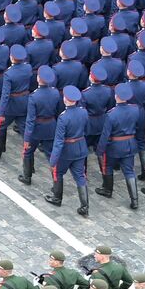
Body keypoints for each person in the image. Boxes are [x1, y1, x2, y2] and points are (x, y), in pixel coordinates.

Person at [46, 86, 90, 217]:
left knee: (57, 172)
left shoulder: (63, 118)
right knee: (80, 177)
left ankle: (57, 198)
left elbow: (59, 141)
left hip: (67, 151)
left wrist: (53, 160)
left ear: (66, 99)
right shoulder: (83, 112)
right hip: (80, 147)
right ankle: (85, 206)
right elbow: (86, 130)